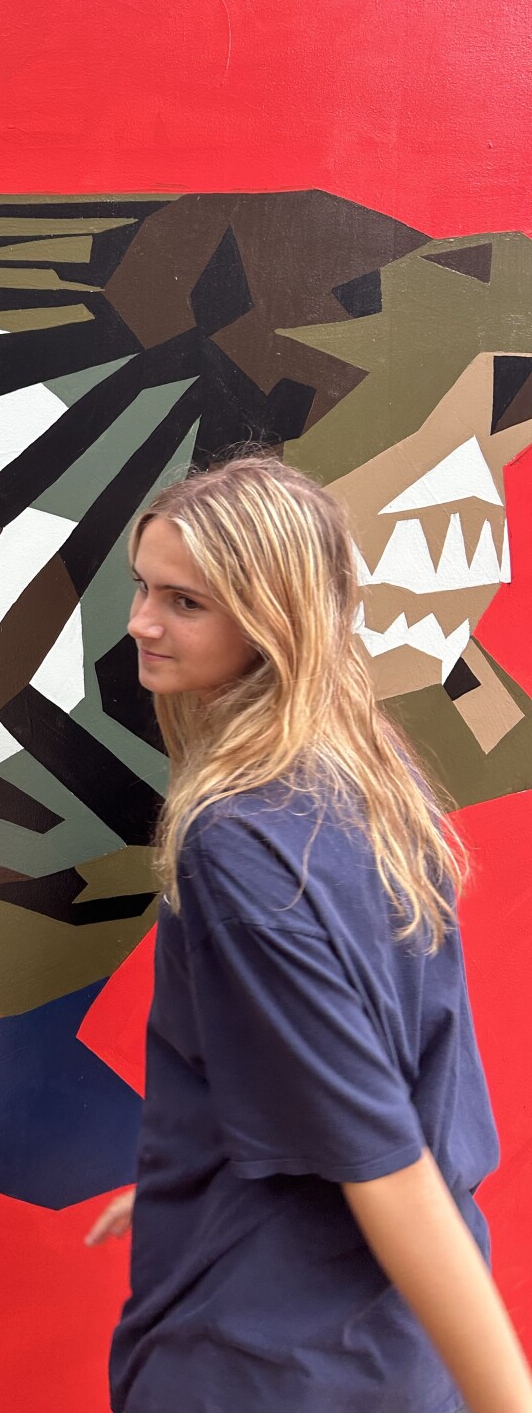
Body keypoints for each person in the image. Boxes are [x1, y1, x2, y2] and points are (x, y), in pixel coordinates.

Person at [84, 451, 531, 1413]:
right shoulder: (371, 773)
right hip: (380, 1342)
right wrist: (198, 1175)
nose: (141, 623)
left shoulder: (237, 840)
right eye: (144, 587)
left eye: (185, 602)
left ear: (272, 620)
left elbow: (386, 1164)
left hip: (264, 1359)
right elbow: (363, 1060)